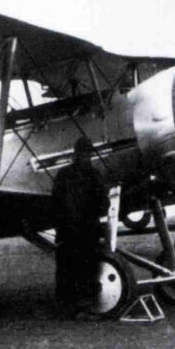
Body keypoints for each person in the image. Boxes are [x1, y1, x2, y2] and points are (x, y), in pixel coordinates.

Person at [51, 136, 110, 319]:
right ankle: (82, 309)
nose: (86, 157)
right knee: (85, 270)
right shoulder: (95, 175)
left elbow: (55, 204)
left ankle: (65, 309)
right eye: (87, 153)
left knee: (67, 270)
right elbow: (104, 205)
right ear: (88, 154)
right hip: (85, 231)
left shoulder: (62, 174)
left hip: (68, 231)